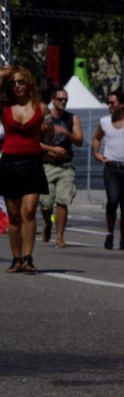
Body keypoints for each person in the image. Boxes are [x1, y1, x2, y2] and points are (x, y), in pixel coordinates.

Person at [0, 65, 53, 273]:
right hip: (9, 163)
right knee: (13, 216)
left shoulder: (41, 108)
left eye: (21, 81)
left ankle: (28, 258)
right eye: (13, 83)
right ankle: (16, 258)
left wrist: (49, 133)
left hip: (32, 163)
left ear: (29, 82)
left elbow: (50, 136)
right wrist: (3, 75)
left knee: (28, 212)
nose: (17, 86)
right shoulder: (4, 105)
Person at [39, 85, 83, 248]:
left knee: (63, 201)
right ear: (52, 100)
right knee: (45, 204)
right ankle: (48, 223)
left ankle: (59, 236)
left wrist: (66, 133)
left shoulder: (72, 118)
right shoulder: (44, 116)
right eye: (60, 99)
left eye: (65, 100)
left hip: (65, 165)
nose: (63, 102)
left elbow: (79, 141)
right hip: (46, 165)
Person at [93, 89, 124, 251]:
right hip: (111, 168)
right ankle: (110, 233)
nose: (109, 105)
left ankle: (123, 239)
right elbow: (97, 138)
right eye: (108, 102)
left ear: (122, 105)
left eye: (112, 103)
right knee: (112, 201)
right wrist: (96, 153)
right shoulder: (104, 122)